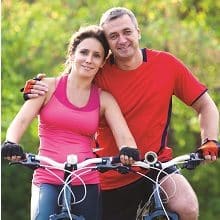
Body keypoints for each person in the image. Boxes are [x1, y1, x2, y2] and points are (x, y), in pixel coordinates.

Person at [8, 7, 220, 220]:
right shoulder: (99, 71)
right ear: (107, 44)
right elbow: (70, 82)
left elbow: (206, 106)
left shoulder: (167, 65)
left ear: (138, 31)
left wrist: (209, 140)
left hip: (154, 164)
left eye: (127, 32)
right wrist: (37, 86)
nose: (122, 40)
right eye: (113, 36)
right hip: (108, 173)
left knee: (187, 206)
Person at [1, 25, 140, 220]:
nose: (89, 59)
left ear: (102, 63)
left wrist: (128, 151)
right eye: (84, 52)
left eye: (96, 55)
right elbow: (22, 119)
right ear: (72, 54)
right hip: (48, 177)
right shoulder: (46, 86)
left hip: (86, 180)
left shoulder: (104, 99)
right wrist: (11, 142)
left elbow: (125, 137)